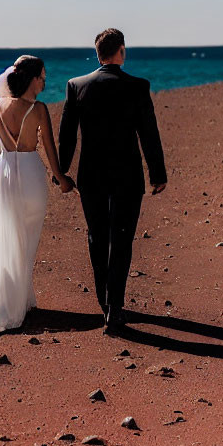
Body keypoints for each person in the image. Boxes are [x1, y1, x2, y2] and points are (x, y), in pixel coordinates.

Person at [57, 28, 167, 334]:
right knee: (122, 239)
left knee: (97, 236)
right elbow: (149, 133)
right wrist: (157, 174)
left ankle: (104, 301)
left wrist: (61, 171)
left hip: (91, 174)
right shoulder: (138, 86)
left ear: (97, 53)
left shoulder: (76, 85)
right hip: (127, 174)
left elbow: (67, 134)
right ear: (121, 51)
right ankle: (114, 305)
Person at [0, 55, 75, 333]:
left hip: (3, 177)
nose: (45, 81)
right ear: (32, 78)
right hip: (31, 176)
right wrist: (62, 179)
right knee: (26, 240)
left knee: (4, 237)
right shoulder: (38, 109)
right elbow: (50, 150)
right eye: (42, 77)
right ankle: (18, 302)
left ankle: (9, 301)